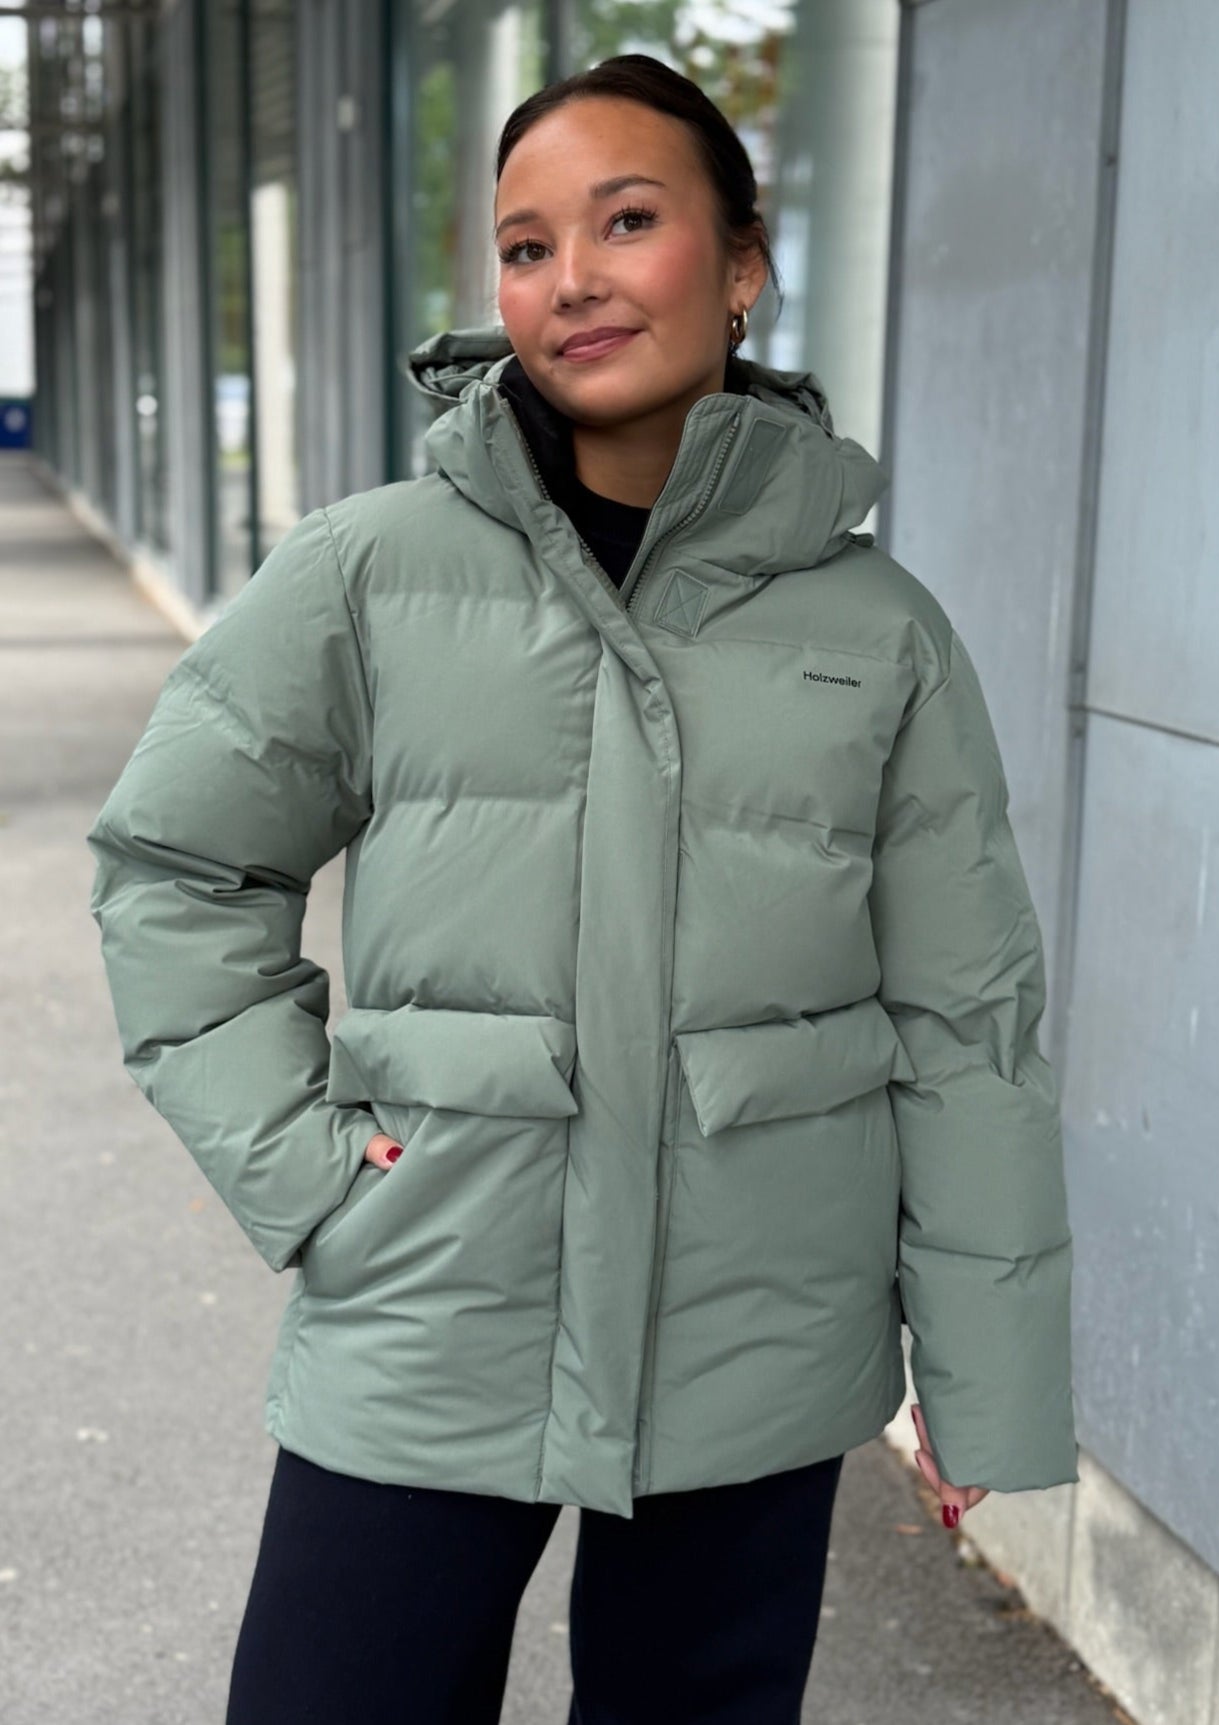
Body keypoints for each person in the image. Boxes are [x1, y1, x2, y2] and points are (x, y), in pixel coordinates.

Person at [86, 52, 1078, 1725]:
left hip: (755, 1336)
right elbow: (176, 865)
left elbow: (964, 1020)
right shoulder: (368, 573)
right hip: (429, 1298)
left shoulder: (876, 633)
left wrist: (982, 1383)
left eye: (626, 222)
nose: (572, 280)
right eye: (526, 245)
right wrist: (308, 1169)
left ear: (742, 262)